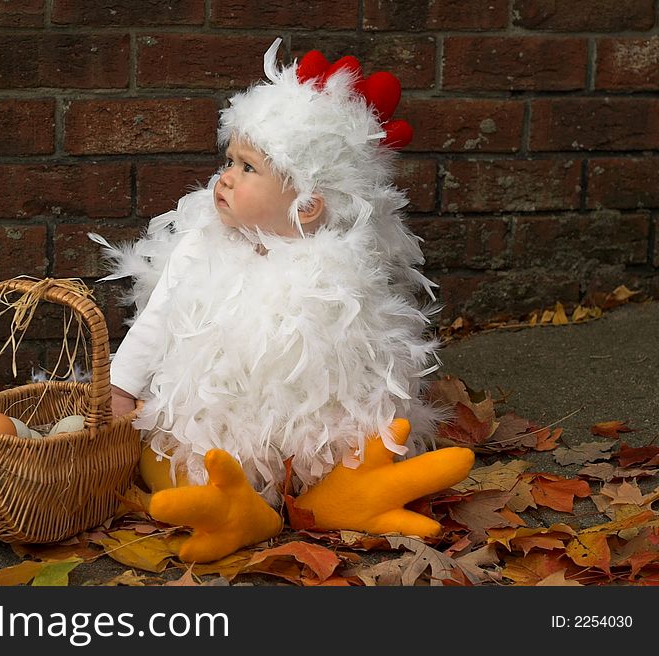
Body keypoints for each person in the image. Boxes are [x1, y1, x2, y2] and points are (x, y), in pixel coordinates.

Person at [90, 38, 473, 563]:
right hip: (216, 415)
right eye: (229, 159)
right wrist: (121, 386)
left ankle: (334, 496)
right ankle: (237, 504)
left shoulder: (342, 268)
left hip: (315, 426)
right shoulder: (201, 243)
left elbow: (371, 359)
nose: (225, 176)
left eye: (249, 167)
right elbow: (158, 319)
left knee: (367, 440)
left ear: (310, 204)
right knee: (164, 456)